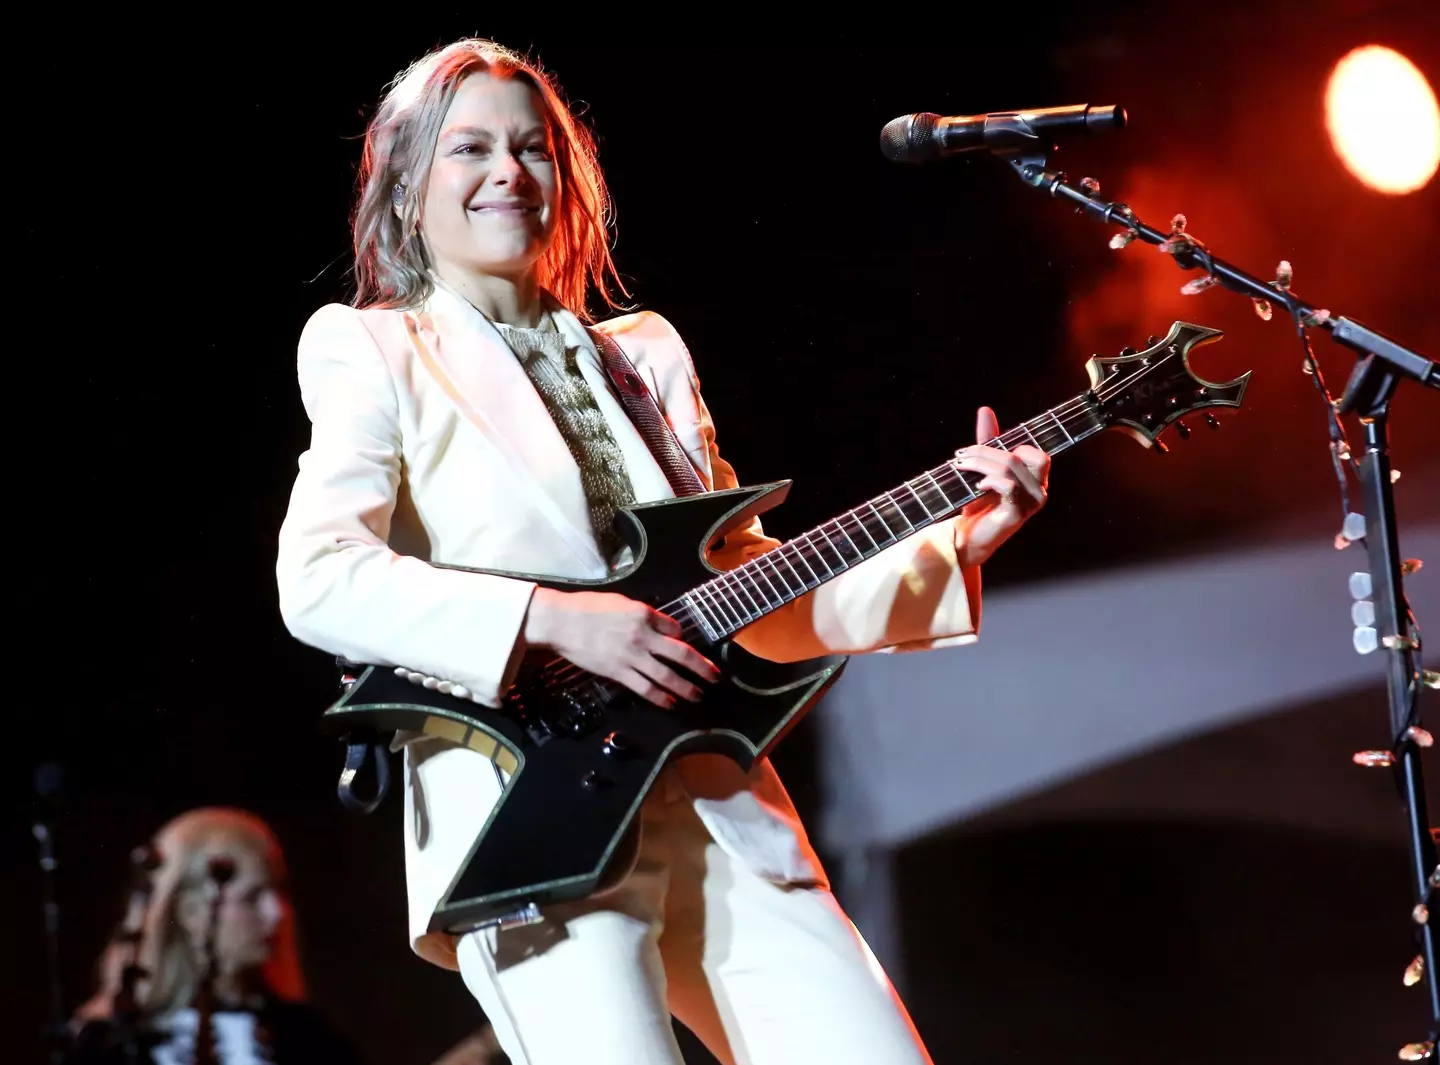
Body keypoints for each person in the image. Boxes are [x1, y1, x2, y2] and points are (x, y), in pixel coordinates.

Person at [275, 37, 1051, 1065]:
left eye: (534, 148)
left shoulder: (643, 353)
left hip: (717, 799)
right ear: (408, 184)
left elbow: (747, 588)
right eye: (469, 150)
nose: (508, 172)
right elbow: (320, 577)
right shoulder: (374, 347)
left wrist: (961, 545)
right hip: (533, 813)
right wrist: (557, 620)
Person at [65, 808, 366, 1065]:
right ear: (190, 911)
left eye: (279, 891)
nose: (276, 913)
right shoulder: (111, 1044)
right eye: (252, 896)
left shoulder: (308, 1038)